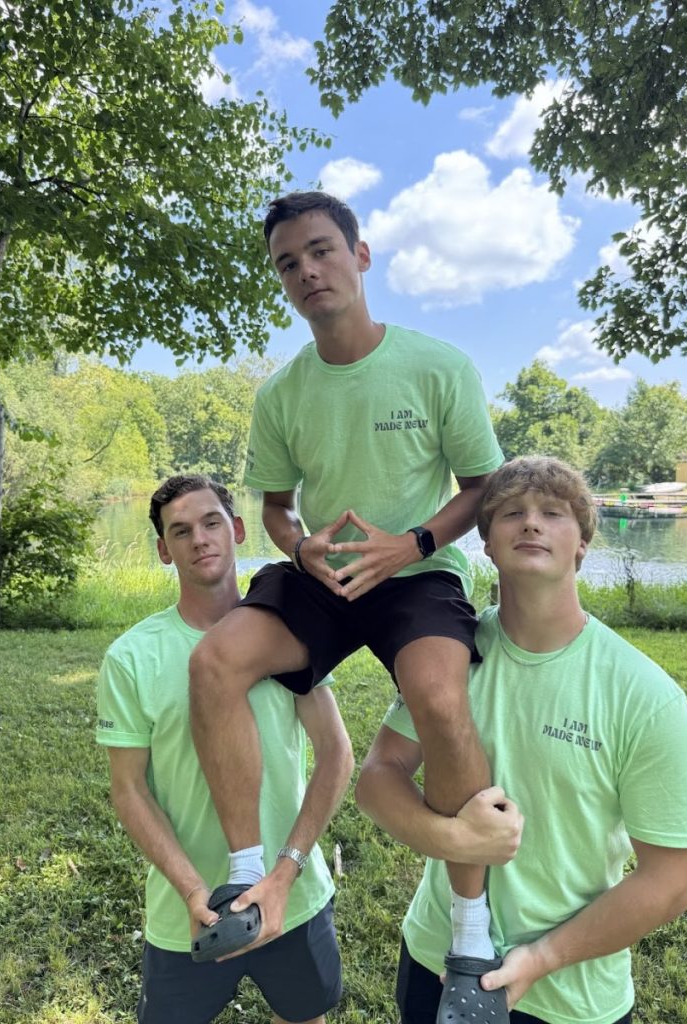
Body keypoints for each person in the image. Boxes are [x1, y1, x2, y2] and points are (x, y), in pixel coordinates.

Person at [189, 190, 507, 985]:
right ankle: (246, 875)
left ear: (361, 256)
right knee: (215, 662)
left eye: (321, 250)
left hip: (418, 572)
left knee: (439, 697)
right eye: (287, 263)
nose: (306, 271)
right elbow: (274, 507)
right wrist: (300, 547)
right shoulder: (281, 394)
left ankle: (470, 927)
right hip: (325, 576)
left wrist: (414, 542)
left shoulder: (437, 366)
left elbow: (484, 487)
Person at [356, 456, 687, 1024]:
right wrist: (449, 836)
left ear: (582, 545)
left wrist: (542, 958)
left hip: (568, 995)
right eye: (511, 512)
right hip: (435, 960)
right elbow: (378, 776)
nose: (531, 523)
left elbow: (672, 879)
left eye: (553, 513)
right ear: (487, 545)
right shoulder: (448, 656)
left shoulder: (644, 696)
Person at [96, 475, 353, 1024]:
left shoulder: (289, 633)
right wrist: (193, 890)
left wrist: (285, 871)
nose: (199, 539)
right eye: (180, 531)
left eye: (211, 522)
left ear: (236, 529)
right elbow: (129, 789)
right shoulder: (131, 657)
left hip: (293, 897)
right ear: (164, 550)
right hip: (189, 913)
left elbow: (336, 755)